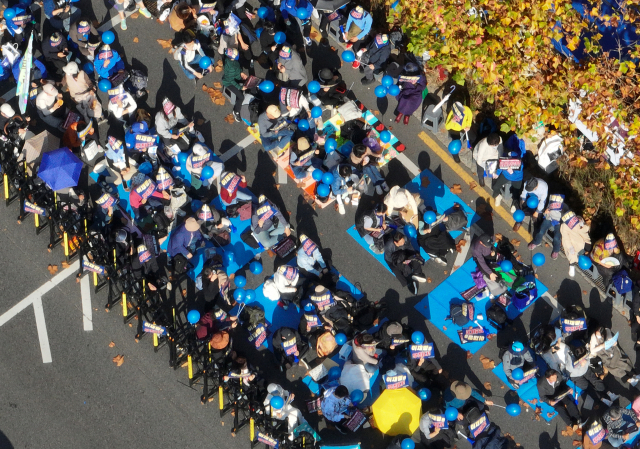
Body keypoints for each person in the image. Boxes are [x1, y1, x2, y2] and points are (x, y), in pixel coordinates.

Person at [528, 194, 568, 260]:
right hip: (549, 219)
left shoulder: (565, 207)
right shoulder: (551, 203)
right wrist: (545, 212)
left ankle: (556, 250)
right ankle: (536, 242)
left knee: (556, 238)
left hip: (558, 223)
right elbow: (545, 214)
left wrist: (561, 222)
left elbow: (566, 217)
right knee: (541, 231)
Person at [492, 135, 525, 210]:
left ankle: (514, 204)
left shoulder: (520, 164)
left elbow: (519, 173)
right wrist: (497, 173)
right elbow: (501, 166)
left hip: (517, 178)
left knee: (516, 193)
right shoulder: (505, 157)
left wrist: (511, 173)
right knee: (495, 187)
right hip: (505, 175)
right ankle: (498, 196)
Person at [560, 211, 592, 277]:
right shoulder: (564, 227)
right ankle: (572, 264)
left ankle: (572, 264)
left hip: (581, 242)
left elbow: (585, 231)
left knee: (573, 255)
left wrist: (582, 224)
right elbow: (566, 239)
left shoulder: (577, 222)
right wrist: (570, 247)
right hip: (576, 244)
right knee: (572, 254)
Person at [221, 48, 246, 122]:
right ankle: (236, 111)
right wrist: (240, 88)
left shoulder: (230, 61)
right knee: (241, 97)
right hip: (229, 83)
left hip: (235, 77)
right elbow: (231, 81)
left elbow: (237, 68)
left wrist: (241, 72)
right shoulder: (231, 68)